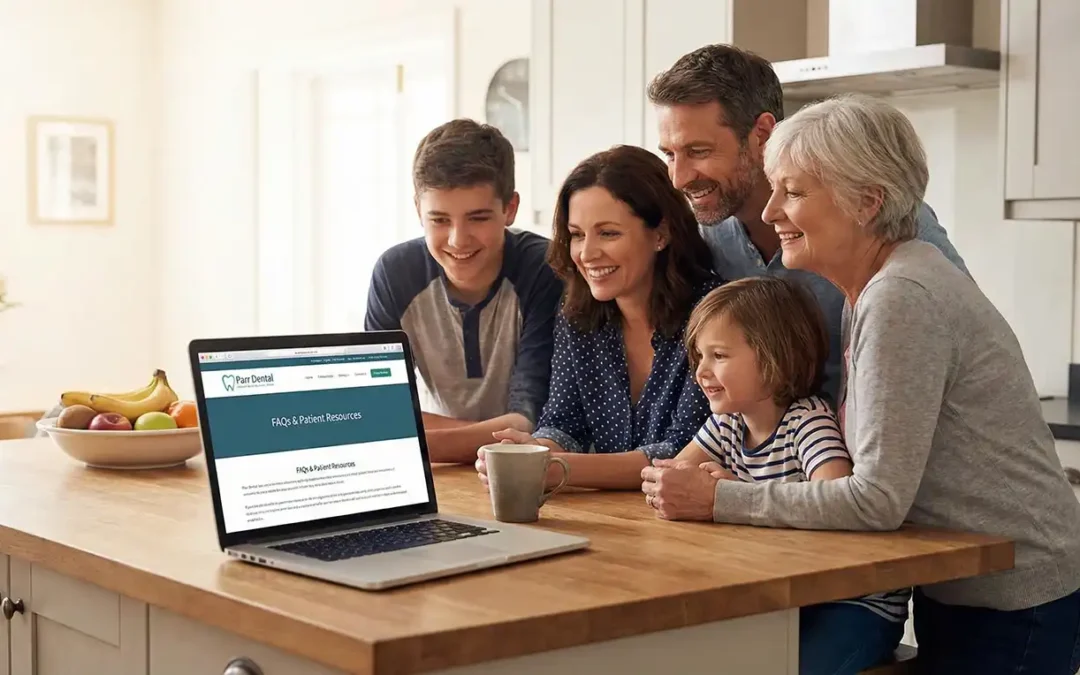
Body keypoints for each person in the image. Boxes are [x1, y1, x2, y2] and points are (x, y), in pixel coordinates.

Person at [641, 93, 1080, 674]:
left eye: (793, 192)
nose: (771, 212)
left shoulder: (901, 298)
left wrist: (718, 498)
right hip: (974, 590)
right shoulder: (879, 287)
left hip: (1015, 598)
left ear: (866, 203)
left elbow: (875, 501)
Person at [646, 44, 970, 405]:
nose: (679, 178)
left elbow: (962, 344)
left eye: (699, 151)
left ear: (762, 133)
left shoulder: (881, 221)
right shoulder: (706, 236)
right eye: (670, 155)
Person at [672, 275, 907, 675]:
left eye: (719, 356)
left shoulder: (807, 421)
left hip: (853, 604)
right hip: (784, 597)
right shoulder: (727, 424)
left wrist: (732, 492)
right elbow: (675, 480)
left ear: (773, 357)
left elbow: (835, 500)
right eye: (700, 356)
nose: (701, 372)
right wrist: (680, 484)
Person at [475, 144, 721, 490]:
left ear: (661, 234)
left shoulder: (715, 315)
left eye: (608, 233)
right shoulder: (578, 314)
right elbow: (563, 422)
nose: (586, 253)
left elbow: (684, 452)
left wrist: (554, 469)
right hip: (615, 519)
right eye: (577, 235)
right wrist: (531, 451)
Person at [365, 119, 563, 463]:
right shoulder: (394, 273)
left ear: (510, 209)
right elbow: (378, 408)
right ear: (418, 210)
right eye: (440, 220)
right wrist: (477, 437)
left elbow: (528, 422)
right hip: (442, 475)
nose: (458, 240)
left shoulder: (544, 270)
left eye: (478, 218)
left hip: (531, 472)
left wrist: (407, 439)